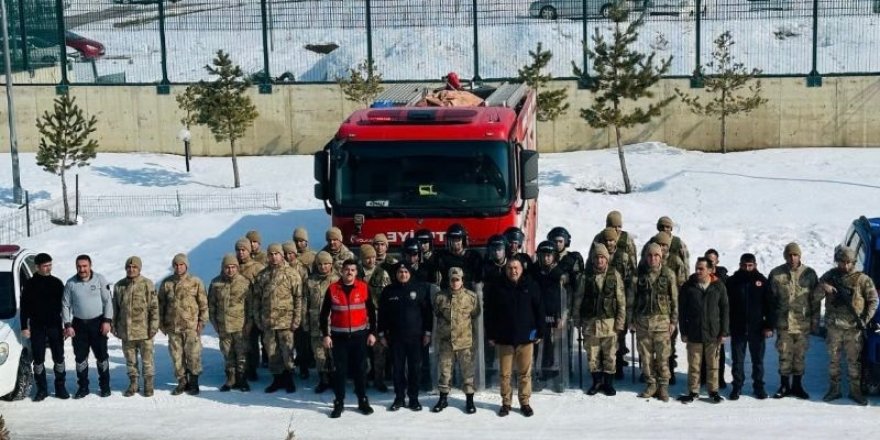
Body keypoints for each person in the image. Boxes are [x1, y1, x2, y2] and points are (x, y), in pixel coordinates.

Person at [815, 246, 879, 405]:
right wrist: (824, 287)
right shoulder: (830, 276)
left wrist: (865, 320)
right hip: (834, 327)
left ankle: (855, 391)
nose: (845, 266)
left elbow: (873, 301)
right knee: (834, 361)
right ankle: (834, 390)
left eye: (848, 262)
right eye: (842, 262)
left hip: (854, 328)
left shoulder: (862, 279)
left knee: (854, 362)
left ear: (854, 262)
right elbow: (815, 296)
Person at [484, 258, 544, 417]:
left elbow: (539, 310)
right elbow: (490, 313)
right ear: (506, 270)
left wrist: (540, 331)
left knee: (525, 373)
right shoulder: (498, 287)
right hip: (505, 339)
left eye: (516, 267)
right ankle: (506, 403)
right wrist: (490, 334)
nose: (513, 271)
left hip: (526, 338)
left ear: (521, 269)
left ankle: (525, 403)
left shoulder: (531, 286)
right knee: (505, 374)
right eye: (510, 268)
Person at [320, 259, 377, 418]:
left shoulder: (364, 287)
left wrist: (372, 332)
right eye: (347, 269)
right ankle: (339, 402)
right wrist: (326, 334)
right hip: (339, 338)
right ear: (341, 271)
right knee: (340, 372)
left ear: (356, 272)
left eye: (353, 269)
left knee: (360, 370)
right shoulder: (332, 289)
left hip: (359, 337)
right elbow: (324, 315)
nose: (350, 272)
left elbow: (372, 312)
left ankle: (362, 400)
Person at [378, 263, 433, 411]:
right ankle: (399, 398)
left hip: (416, 338)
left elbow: (427, 313)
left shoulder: (419, 289)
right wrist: (381, 334)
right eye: (400, 272)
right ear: (396, 274)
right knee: (398, 369)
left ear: (410, 273)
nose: (403, 274)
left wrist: (428, 333)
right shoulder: (388, 291)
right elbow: (382, 314)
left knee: (415, 369)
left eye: (405, 272)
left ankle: (414, 399)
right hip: (395, 339)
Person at [573, 244, 625, 397]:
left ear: (606, 259)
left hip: (610, 324)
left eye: (602, 257)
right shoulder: (585, 277)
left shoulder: (614, 275)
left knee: (610, 354)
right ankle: (596, 382)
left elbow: (621, 300)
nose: (599, 260)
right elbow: (578, 299)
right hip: (590, 323)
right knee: (592, 354)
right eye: (597, 257)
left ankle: (608, 383)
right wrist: (576, 318)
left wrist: (620, 322)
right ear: (593, 259)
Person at [768, 242, 818, 399]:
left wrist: (815, 320)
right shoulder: (776, 274)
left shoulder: (809, 274)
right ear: (785, 256)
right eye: (789, 255)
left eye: (795, 254)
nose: (792, 258)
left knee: (799, 356)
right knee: (784, 355)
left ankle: (797, 385)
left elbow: (815, 300)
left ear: (800, 255)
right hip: (784, 324)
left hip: (802, 323)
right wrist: (771, 321)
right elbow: (770, 300)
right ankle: (784, 386)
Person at [677, 258, 729, 404]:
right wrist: (684, 331)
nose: (698, 271)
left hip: (713, 333)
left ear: (710, 270)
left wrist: (724, 332)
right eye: (697, 268)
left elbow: (725, 309)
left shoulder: (718, 286)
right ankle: (693, 391)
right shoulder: (689, 286)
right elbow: (682, 311)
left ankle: (713, 391)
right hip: (694, 332)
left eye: (701, 269)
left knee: (713, 365)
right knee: (694, 365)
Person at [631, 243, 678, 402]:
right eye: (650, 255)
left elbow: (674, 300)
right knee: (646, 357)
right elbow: (632, 299)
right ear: (645, 257)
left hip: (662, 324)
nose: (653, 258)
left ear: (661, 257)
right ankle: (651, 384)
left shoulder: (669, 274)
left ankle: (663, 386)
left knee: (663, 357)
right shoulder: (639, 275)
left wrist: (673, 321)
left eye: (656, 255)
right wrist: (632, 320)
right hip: (643, 323)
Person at [254, 243, 303, 393]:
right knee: (272, 352)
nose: (274, 257)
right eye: (271, 254)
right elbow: (256, 299)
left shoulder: (292, 274)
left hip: (286, 322)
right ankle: (277, 380)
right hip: (268, 322)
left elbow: (298, 298)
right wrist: (258, 318)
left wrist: (296, 319)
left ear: (282, 255)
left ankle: (288, 380)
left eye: (277, 254)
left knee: (287, 352)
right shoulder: (263, 275)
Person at [62, 254, 113, 399]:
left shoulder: (99, 279)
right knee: (80, 358)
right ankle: (83, 387)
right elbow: (65, 305)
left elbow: (108, 301)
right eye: (79, 266)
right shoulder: (71, 283)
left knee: (102, 357)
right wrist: (68, 324)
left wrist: (107, 320)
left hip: (98, 323)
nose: (82, 269)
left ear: (90, 266)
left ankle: (105, 387)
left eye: (85, 266)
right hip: (79, 325)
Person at [431, 267, 481, 414]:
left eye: (457, 280)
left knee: (468, 373)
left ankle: (470, 400)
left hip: (465, 342)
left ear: (462, 280)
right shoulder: (440, 297)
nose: (454, 283)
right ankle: (443, 399)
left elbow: (475, 314)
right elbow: (437, 312)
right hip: (446, 341)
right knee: (445, 371)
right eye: (452, 280)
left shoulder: (471, 297)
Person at [20, 253, 69, 400]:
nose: (48, 268)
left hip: (55, 325)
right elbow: (24, 307)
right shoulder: (29, 284)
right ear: (37, 267)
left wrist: (66, 325)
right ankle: (42, 389)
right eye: (45, 266)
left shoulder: (57, 283)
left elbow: (65, 306)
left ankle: (60, 387)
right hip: (37, 327)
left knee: (59, 357)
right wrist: (24, 326)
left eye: (50, 265)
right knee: (38, 358)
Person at [158, 253, 209, 396]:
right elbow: (160, 305)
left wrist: (202, 322)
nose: (178, 267)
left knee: (193, 355)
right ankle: (182, 382)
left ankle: (193, 383)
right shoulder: (167, 283)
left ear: (186, 265)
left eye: (181, 264)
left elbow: (204, 304)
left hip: (191, 327)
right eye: (176, 265)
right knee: (176, 357)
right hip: (173, 327)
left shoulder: (196, 282)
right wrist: (161, 324)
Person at [725, 253, 773, 400]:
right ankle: (737, 387)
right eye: (744, 265)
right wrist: (726, 327)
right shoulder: (733, 282)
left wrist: (769, 326)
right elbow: (726, 306)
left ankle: (758, 387)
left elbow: (770, 305)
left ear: (755, 265)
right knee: (737, 361)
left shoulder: (762, 281)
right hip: (738, 327)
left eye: (750, 265)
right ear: (740, 265)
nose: (747, 268)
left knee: (757, 360)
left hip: (757, 328)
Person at [112, 256, 159, 397]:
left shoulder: (147, 284)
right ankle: (133, 384)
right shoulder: (119, 286)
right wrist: (115, 326)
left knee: (147, 361)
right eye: (129, 267)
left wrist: (153, 327)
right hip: (126, 332)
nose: (131, 270)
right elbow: (115, 308)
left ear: (139, 268)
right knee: (130, 361)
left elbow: (154, 307)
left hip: (145, 331)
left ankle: (148, 385)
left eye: (134, 267)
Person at [208, 253, 253, 392]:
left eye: (233, 267)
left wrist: (249, 324)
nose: (230, 270)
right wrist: (215, 324)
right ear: (223, 268)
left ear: (237, 268)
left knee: (241, 354)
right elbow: (211, 306)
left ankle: (242, 379)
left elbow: (250, 305)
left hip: (240, 326)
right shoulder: (216, 283)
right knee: (228, 353)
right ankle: (231, 378)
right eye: (227, 267)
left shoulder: (245, 282)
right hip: (223, 326)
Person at [598, 227, 636, 380]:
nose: (609, 243)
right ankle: (602, 369)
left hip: (621, 299)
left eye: (612, 240)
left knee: (619, 335)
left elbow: (632, 277)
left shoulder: (624, 257)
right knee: (602, 337)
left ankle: (618, 367)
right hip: (603, 302)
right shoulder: (598, 254)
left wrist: (629, 301)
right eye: (607, 240)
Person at [531, 240, 566, 392]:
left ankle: (552, 375)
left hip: (554, 316)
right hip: (535, 315)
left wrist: (561, 315)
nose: (546, 259)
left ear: (554, 257)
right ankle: (534, 374)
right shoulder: (533, 272)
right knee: (535, 344)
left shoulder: (558, 274)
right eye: (543, 256)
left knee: (553, 345)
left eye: (549, 256)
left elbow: (564, 297)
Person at [358, 244, 392, 392]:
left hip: (377, 317)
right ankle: (362, 380)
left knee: (379, 352)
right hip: (359, 317)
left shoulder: (382, 273)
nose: (371, 260)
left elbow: (389, 295)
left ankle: (379, 380)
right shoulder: (355, 274)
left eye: (373, 257)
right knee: (361, 352)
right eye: (367, 258)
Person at [304, 251, 338, 393]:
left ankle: (335, 379)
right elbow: (304, 302)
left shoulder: (337, 280)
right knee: (319, 354)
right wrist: (304, 321)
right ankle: (323, 379)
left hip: (334, 324)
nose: (323, 267)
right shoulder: (310, 281)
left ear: (331, 265)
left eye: (326, 264)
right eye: (320, 264)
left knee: (334, 354)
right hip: (315, 323)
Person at [236, 238, 267, 381]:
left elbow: (263, 289)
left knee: (252, 340)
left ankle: (252, 368)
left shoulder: (257, 268)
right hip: (237, 311)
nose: (241, 253)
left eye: (244, 250)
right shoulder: (233, 265)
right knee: (241, 341)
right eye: (238, 250)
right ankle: (240, 368)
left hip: (254, 309)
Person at [432, 223, 482, 289]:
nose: (455, 243)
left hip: (467, 293)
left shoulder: (473, 256)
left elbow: (478, 281)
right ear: (448, 240)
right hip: (448, 292)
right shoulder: (441, 257)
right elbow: (436, 280)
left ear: (463, 240)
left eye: (458, 239)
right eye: (453, 239)